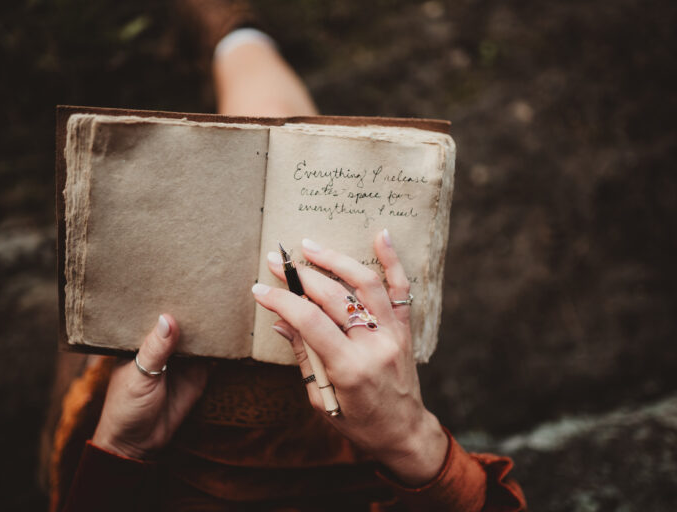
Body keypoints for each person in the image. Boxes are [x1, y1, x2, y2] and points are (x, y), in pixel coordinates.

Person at [48, 2, 527, 510]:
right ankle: (238, 37)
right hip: (353, 470)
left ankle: (234, 37)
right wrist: (409, 437)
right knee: (287, 139)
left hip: (168, 451)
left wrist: (123, 446)